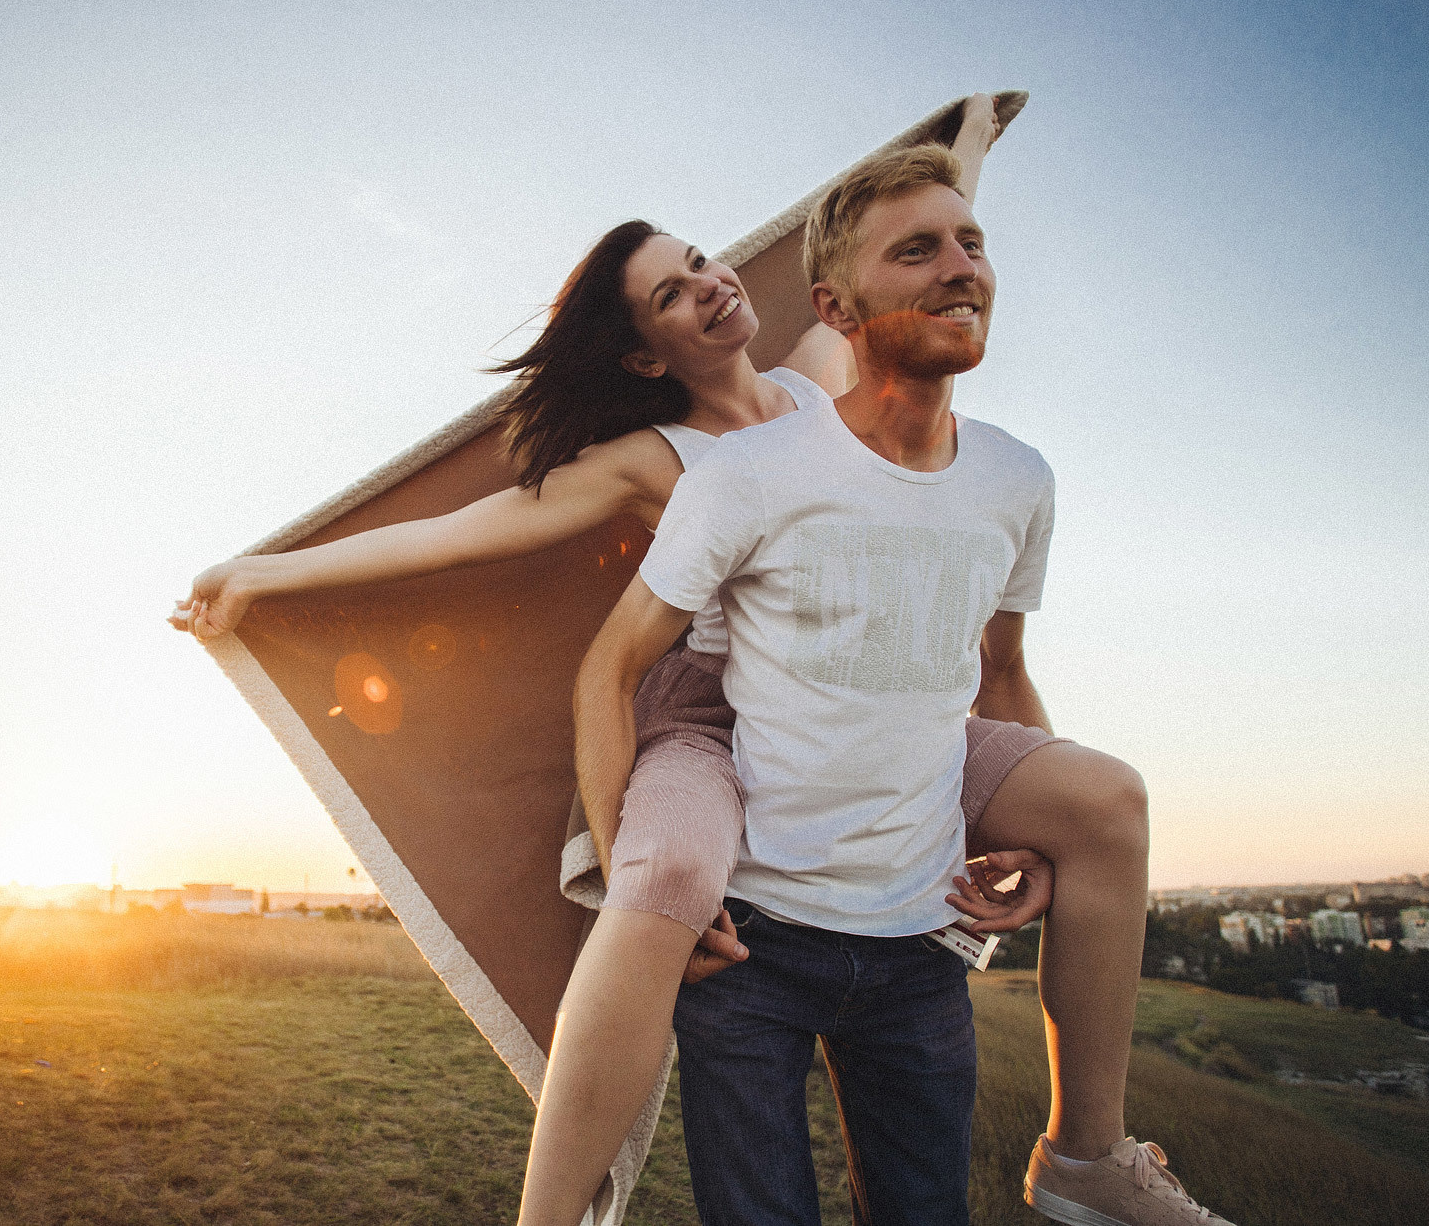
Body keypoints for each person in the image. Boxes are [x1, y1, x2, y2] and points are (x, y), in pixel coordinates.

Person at [171, 97, 1210, 1225]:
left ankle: (1088, 1154)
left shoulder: (819, 381)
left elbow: (911, 240)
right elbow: (451, 537)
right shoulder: (647, 460)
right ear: (641, 349)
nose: (712, 286)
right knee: (663, 879)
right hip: (708, 722)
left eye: (703, 263)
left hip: (874, 704)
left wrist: (966, 138)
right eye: (672, 292)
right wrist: (266, 575)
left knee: (1102, 799)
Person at [573, 141, 1234, 1225]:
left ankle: (1084, 1157)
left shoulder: (1017, 478)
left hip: (920, 957)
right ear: (833, 305)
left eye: (969, 244)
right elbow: (609, 670)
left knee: (1107, 796)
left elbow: (1001, 671)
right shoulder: (742, 475)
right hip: (749, 952)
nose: (958, 268)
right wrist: (634, 894)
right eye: (917, 249)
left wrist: (1024, 839)